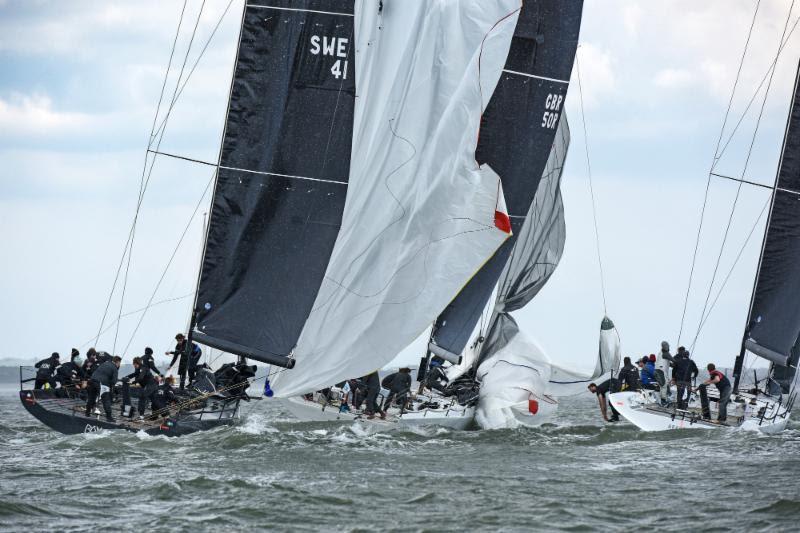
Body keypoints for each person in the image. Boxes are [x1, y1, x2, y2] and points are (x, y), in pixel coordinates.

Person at [85, 355, 121, 422]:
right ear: (117, 362)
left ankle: (87, 413)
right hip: (102, 383)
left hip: (92, 380)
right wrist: (109, 385)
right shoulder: (115, 368)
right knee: (106, 399)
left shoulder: (105, 363)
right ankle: (109, 417)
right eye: (119, 363)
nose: (119, 365)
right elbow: (114, 381)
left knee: (91, 397)